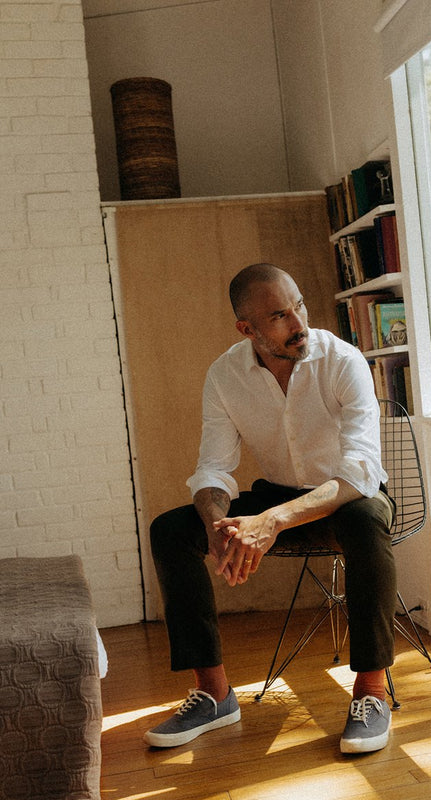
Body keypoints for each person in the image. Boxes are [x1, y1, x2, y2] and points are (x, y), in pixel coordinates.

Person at [146, 263, 398, 754]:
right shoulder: (225, 374)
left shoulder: (342, 360)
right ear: (248, 329)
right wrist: (216, 523)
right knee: (170, 530)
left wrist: (272, 521)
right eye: (280, 316)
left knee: (368, 523)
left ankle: (371, 692)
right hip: (275, 494)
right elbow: (215, 468)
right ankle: (214, 695)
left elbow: (361, 471)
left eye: (299, 305)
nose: (299, 323)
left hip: (344, 498)